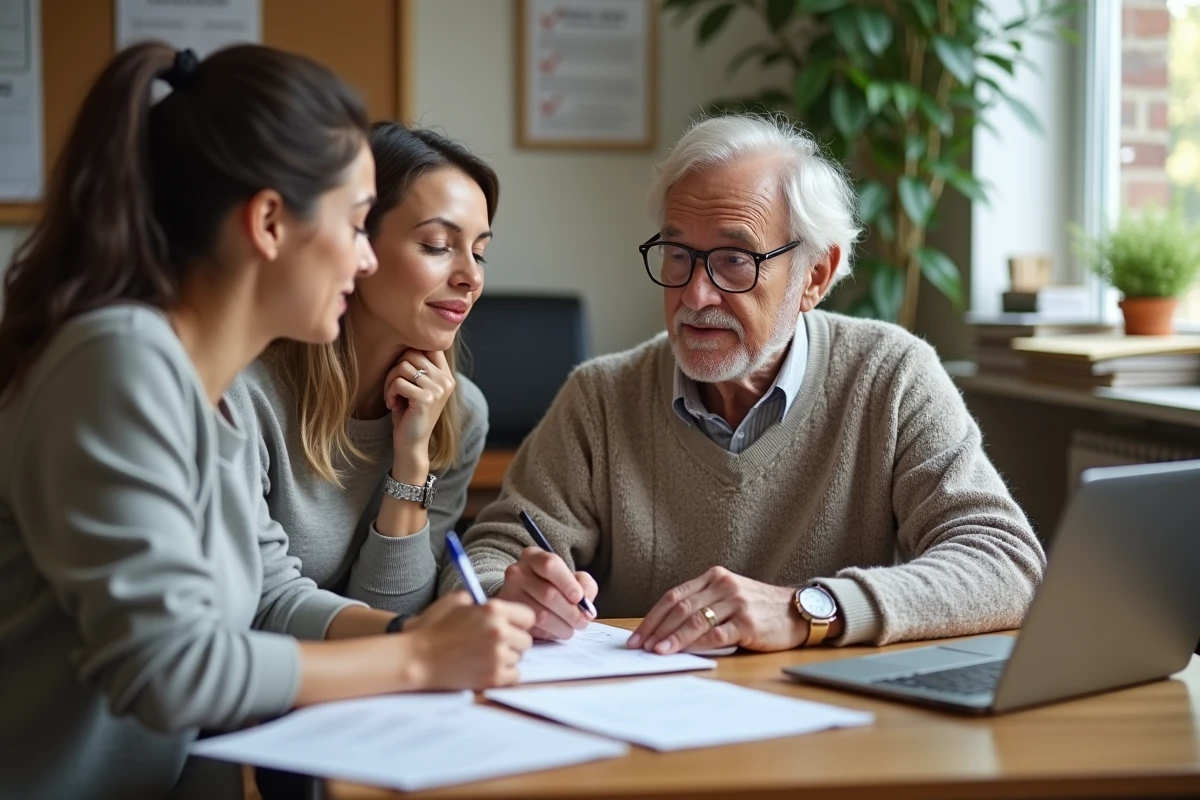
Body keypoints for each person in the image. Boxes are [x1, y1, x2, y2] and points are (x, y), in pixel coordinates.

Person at [0, 43, 532, 800]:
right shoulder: (119, 364)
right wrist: (416, 658)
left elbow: (265, 597)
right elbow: (173, 668)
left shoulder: (194, 389)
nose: (362, 260)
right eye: (355, 226)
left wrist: (412, 637)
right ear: (271, 223)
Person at [445, 114, 1046, 656]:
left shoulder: (890, 375)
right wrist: (513, 591)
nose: (696, 294)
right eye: (678, 254)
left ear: (816, 274)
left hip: (830, 732)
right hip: (642, 730)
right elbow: (486, 557)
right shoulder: (601, 397)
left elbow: (1006, 563)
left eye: (736, 260)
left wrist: (808, 609)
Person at [226, 122, 494, 620]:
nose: (471, 276)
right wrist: (410, 648)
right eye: (438, 245)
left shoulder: (460, 414)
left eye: (479, 252)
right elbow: (258, 609)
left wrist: (411, 461)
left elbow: (390, 608)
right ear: (355, 243)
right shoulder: (242, 392)